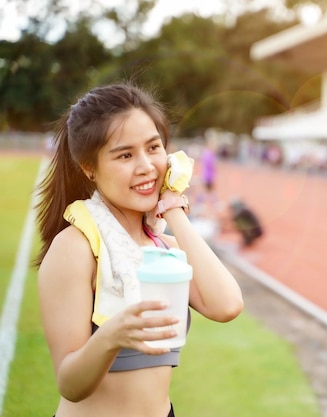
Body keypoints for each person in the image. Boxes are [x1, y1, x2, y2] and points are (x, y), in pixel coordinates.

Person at [35, 82, 244, 417]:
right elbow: (70, 385)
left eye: (153, 147)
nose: (146, 165)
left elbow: (228, 305)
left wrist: (174, 210)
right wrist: (111, 337)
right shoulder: (76, 248)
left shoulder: (165, 247)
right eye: (125, 155)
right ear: (89, 167)